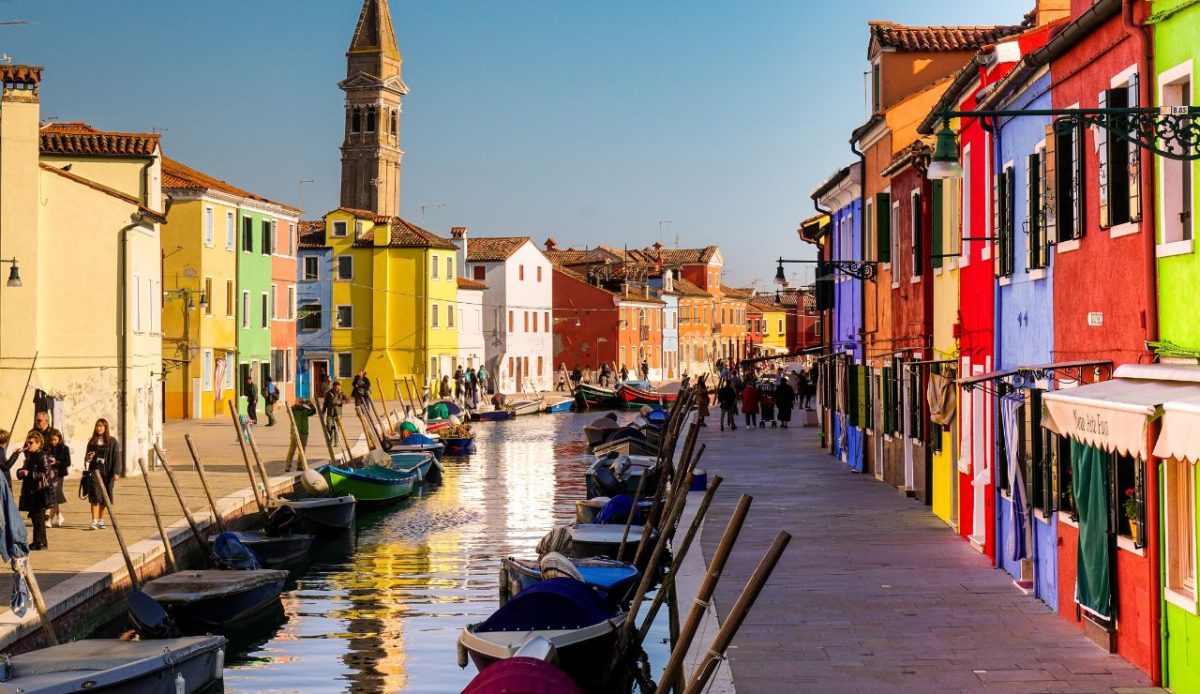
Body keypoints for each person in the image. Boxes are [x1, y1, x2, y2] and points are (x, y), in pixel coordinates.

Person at [81, 418, 121, 531]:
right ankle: (94, 520)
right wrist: (88, 458)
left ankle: (100, 519)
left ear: (105, 427)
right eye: (97, 426)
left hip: (107, 473)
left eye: (101, 426)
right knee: (95, 496)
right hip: (94, 471)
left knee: (104, 497)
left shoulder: (112, 441)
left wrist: (116, 472)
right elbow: (87, 458)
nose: (99, 428)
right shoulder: (92, 442)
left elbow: (116, 458)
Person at [15, 431, 53, 550]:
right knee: (34, 517)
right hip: (30, 490)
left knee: (39, 517)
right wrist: (21, 472)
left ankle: (42, 542)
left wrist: (30, 473)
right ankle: (36, 541)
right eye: (27, 442)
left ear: (38, 443)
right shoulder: (30, 455)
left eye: (31, 442)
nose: (28, 444)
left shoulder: (42, 456)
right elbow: (26, 470)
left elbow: (45, 473)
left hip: (39, 491)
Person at [45, 429, 70, 527]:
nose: (53, 442)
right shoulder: (47, 448)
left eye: (55, 440)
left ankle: (49, 519)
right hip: (49, 474)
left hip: (59, 474)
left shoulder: (64, 448)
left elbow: (67, 463)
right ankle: (59, 515)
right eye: (51, 440)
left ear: (59, 439)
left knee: (54, 494)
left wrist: (57, 462)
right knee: (52, 495)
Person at [285, 398, 318, 472]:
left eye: (302, 402)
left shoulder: (305, 410)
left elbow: (314, 411)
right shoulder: (294, 410)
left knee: (302, 451)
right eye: (300, 402)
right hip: (295, 433)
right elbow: (288, 411)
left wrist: (310, 404)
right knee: (292, 450)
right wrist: (295, 405)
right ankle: (288, 465)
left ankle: (300, 465)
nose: (301, 403)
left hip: (304, 433)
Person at [323, 381, 346, 445]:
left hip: (338, 413)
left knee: (337, 428)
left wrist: (340, 402)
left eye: (338, 387)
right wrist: (323, 411)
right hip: (330, 412)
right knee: (328, 426)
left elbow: (347, 400)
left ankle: (336, 441)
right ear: (333, 387)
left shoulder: (341, 393)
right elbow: (325, 403)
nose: (337, 388)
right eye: (335, 387)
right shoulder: (329, 393)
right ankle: (331, 435)